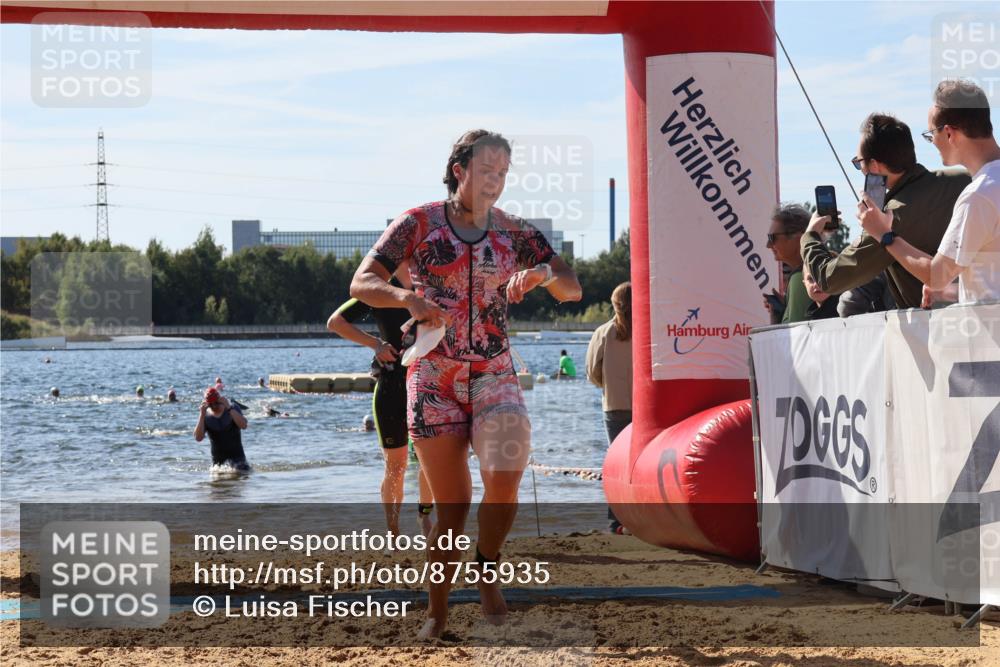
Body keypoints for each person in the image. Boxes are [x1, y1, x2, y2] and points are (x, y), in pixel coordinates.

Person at [350, 129, 581, 639]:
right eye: (487, 171)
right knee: (451, 507)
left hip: (494, 369)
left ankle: (487, 567)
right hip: (434, 374)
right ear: (460, 170)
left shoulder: (516, 232)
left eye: (503, 173)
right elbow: (362, 282)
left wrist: (542, 274)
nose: (496, 182)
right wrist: (406, 299)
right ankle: (437, 610)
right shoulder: (418, 223)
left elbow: (572, 286)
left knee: (506, 471)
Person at [803, 113, 970, 308]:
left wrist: (810, 237)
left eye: (859, 163)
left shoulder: (888, 219)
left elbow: (830, 279)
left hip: (936, 327)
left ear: (874, 165)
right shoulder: (966, 179)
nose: (861, 169)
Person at [859, 80, 1000, 306]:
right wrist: (950, 293)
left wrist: (884, 235)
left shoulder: (978, 195)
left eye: (931, 134)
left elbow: (937, 275)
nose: (932, 142)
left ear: (949, 133)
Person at [328, 268, 435, 538]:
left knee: (431, 461)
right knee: (396, 467)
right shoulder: (381, 290)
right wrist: (375, 344)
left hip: (426, 386)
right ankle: (393, 530)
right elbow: (335, 322)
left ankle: (424, 516)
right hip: (390, 387)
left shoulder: (432, 285)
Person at [586, 282, 633, 534]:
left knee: (616, 465)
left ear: (614, 304)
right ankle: (644, 517)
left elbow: (592, 371)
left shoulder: (603, 332)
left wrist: (607, 386)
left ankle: (616, 521)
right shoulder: (648, 332)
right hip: (645, 408)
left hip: (614, 406)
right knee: (640, 464)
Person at [763, 204, 810, 324]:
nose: (768, 245)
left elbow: (794, 340)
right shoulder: (817, 271)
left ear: (799, 238)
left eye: (772, 238)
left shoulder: (800, 277)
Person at [194, 386, 250, 472]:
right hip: (217, 465)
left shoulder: (233, 408)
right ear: (207, 404)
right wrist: (201, 415)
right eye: (211, 404)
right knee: (217, 484)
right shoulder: (205, 416)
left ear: (220, 400)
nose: (214, 406)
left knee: (239, 482)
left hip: (239, 461)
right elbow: (198, 438)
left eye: (216, 403)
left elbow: (244, 426)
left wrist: (229, 407)